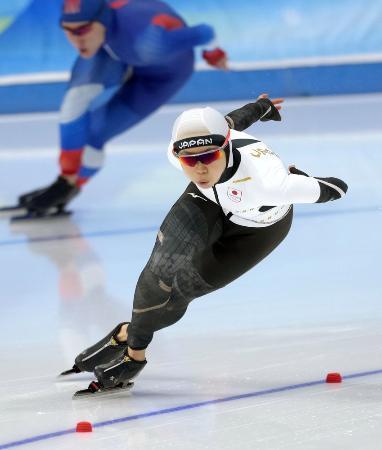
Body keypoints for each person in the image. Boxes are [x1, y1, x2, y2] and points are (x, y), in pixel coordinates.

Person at [61, 96, 348, 395]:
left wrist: (301, 183)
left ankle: (126, 333)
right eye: (190, 160)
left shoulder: (269, 183)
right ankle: (134, 355)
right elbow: (231, 121)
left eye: (208, 157)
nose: (199, 169)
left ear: (226, 146)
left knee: (178, 296)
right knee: (158, 271)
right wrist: (262, 107)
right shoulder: (182, 154)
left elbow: (338, 187)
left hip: (256, 233)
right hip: (207, 201)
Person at [18, 0, 228, 215]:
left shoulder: (151, 42)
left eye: (83, 29)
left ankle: (72, 186)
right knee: (75, 102)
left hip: (161, 75)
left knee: (96, 134)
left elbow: (205, 32)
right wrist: (67, 172)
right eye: (68, 30)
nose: (77, 39)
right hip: (111, 48)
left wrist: (215, 54)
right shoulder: (96, 28)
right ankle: (64, 181)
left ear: (101, 20)